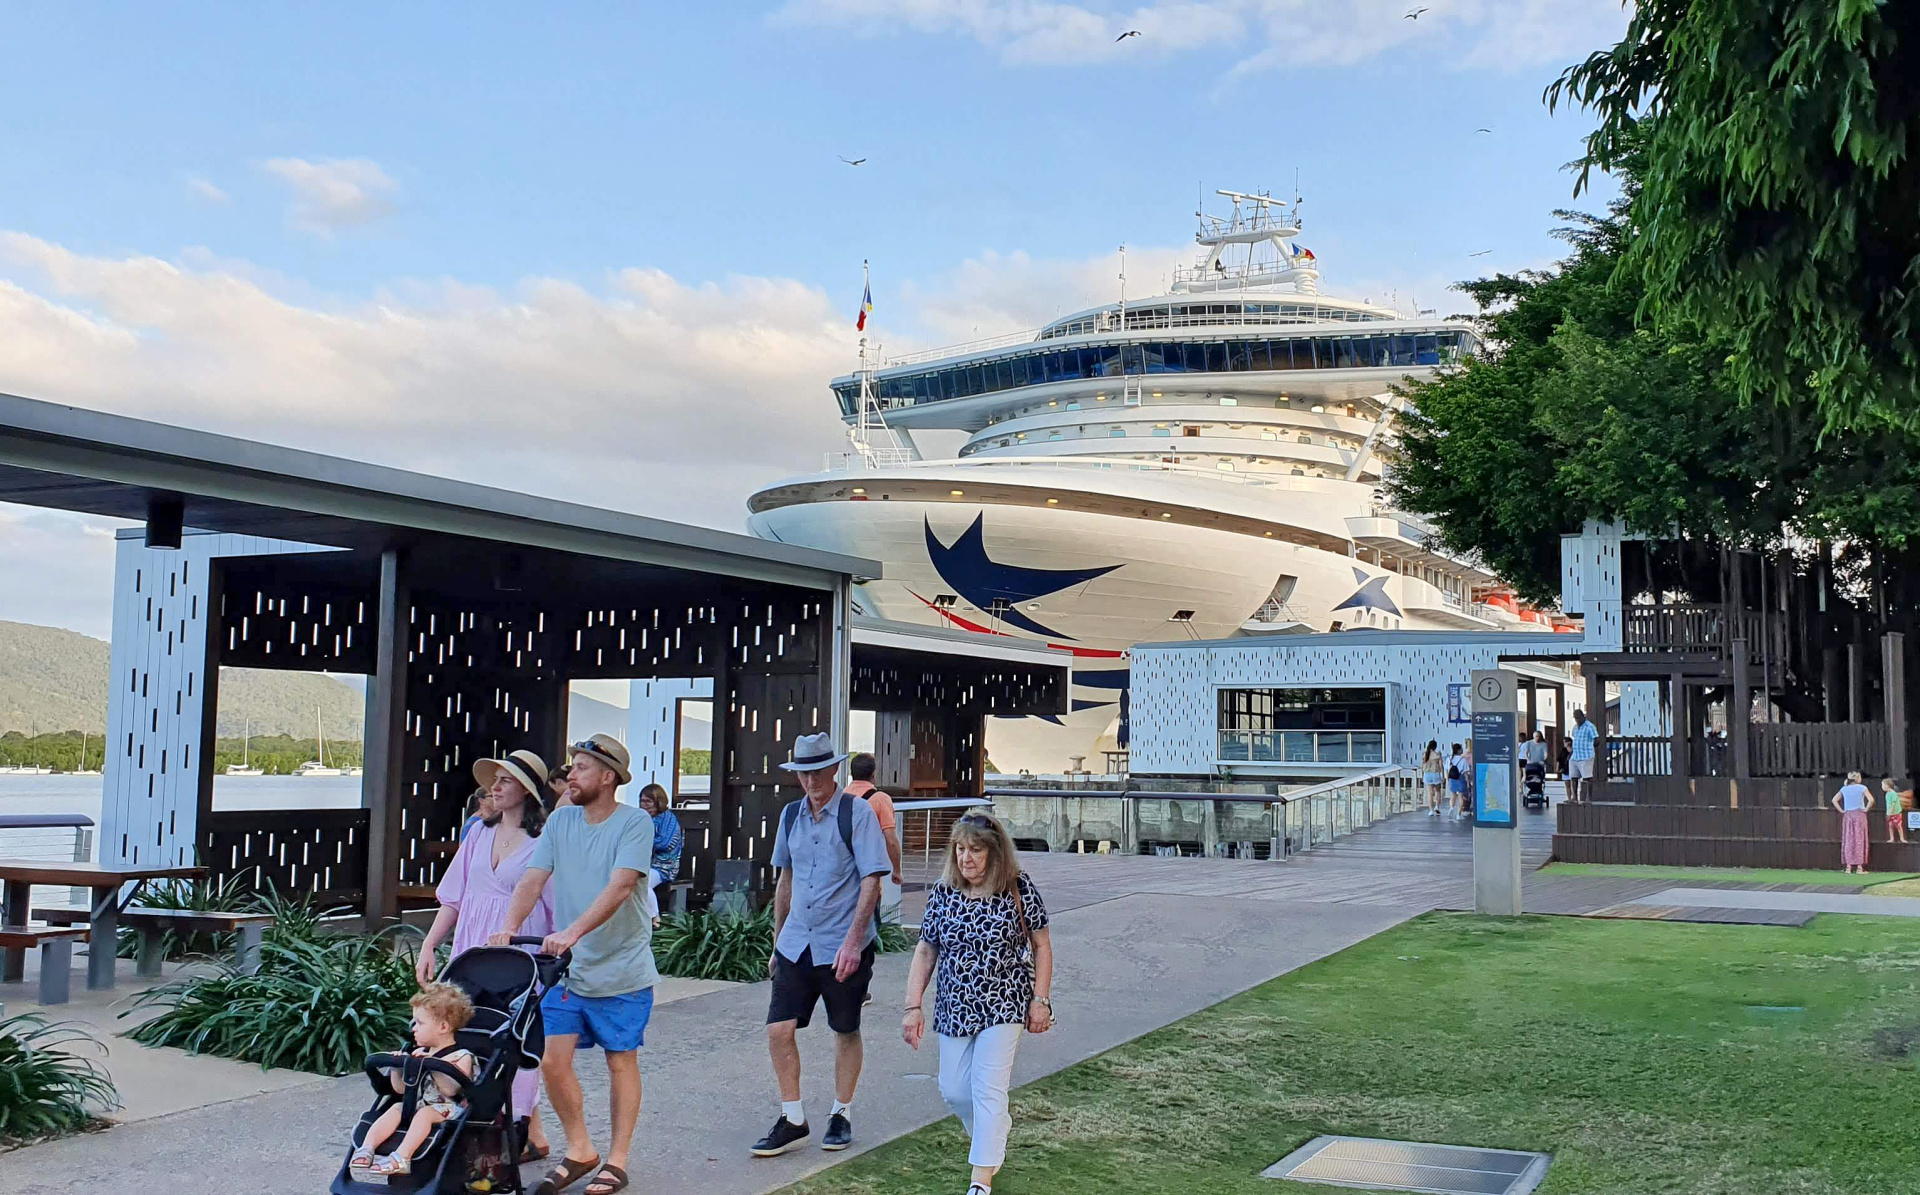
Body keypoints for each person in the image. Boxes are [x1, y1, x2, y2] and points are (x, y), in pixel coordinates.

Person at [491, 734, 654, 1195]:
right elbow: (532, 878)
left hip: (621, 967)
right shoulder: (561, 822)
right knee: (551, 1060)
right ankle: (581, 1149)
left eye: (582, 767)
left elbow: (621, 887)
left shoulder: (634, 823)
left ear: (608, 777)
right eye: (573, 766)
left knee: (621, 1061)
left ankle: (617, 1161)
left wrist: (572, 932)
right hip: (567, 970)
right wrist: (507, 926)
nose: (571, 775)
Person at [753, 732, 892, 1159]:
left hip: (842, 944)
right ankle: (793, 1118)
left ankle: (841, 1112)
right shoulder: (791, 815)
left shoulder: (858, 813)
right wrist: (778, 942)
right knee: (779, 1029)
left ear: (834, 769)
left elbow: (872, 878)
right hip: (798, 942)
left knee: (845, 1029)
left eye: (817, 771)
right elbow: (786, 879)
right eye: (803, 773)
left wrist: (853, 942)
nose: (810, 780)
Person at [903, 810, 1053, 1195]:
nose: (965, 858)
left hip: (1004, 1001)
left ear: (994, 853)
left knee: (988, 1088)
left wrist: (1041, 1000)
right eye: (959, 849)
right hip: (954, 1005)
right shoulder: (943, 893)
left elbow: (1041, 945)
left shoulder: (1017, 888)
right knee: (953, 1088)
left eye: (974, 850)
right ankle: (994, 1133)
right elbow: (925, 951)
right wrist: (912, 1006)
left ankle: (980, 1182)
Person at [419, 749, 555, 1161]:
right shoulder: (478, 831)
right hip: (470, 945)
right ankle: (506, 1131)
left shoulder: (543, 840)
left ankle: (511, 1131)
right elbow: (454, 896)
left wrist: (554, 962)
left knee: (511, 1036)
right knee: (467, 1034)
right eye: (493, 780)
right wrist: (429, 945)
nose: (493, 788)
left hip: (514, 947)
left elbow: (551, 903)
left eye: (505, 781)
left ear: (526, 791)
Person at [350, 982, 478, 1178]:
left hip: (450, 1108)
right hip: (417, 1104)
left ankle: (402, 1156)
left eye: (420, 1023)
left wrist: (433, 1065)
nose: (414, 1029)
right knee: (395, 1107)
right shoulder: (418, 1052)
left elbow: (450, 1090)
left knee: (425, 1114)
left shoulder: (461, 1056)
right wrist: (397, 1066)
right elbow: (400, 1090)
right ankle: (367, 1148)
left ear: (443, 1026)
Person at [845, 753, 904, 887]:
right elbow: (891, 841)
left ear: (852, 772)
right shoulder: (880, 799)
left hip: (841, 871)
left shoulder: (840, 798)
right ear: (873, 774)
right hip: (868, 871)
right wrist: (897, 870)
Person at [635, 783, 683, 926]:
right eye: (642, 801)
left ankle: (654, 918)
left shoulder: (669, 819)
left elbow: (665, 843)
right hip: (640, 863)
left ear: (658, 802)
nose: (644, 805)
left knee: (641, 882)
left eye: (648, 801)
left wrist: (640, 842)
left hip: (664, 866)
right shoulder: (639, 818)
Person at [1832, 770, 1874, 874]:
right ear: (1858, 778)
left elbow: (1834, 800)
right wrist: (1866, 809)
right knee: (1859, 839)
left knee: (1848, 839)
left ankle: (1848, 866)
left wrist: (1841, 810)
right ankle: (1859, 867)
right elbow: (1871, 800)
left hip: (1848, 815)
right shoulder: (1862, 788)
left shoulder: (1844, 789)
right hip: (1860, 814)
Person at [1568, 709, 1598, 802]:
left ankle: (1589, 797)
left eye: (1578, 718)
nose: (1577, 720)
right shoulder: (1575, 727)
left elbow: (1597, 739)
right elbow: (1575, 738)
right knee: (1573, 776)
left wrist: (1590, 747)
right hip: (1575, 755)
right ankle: (1574, 797)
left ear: (1583, 717)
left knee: (1587, 777)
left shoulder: (1590, 726)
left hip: (1586, 756)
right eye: (1575, 718)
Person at [1420, 740, 1445, 818]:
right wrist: (1443, 776)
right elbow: (1441, 766)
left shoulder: (1425, 754)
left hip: (1427, 774)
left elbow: (1422, 766)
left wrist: (1422, 775)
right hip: (1436, 773)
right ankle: (1437, 806)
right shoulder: (1437, 754)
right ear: (1435, 747)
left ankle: (1431, 810)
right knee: (1438, 791)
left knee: (1430, 792)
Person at [1445, 742, 1467, 822]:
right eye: (1461, 749)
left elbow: (1446, 769)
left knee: (1453, 795)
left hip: (1452, 779)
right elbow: (1465, 772)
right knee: (1460, 797)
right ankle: (1458, 814)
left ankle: (1451, 808)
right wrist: (1468, 781)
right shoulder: (1463, 760)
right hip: (1460, 778)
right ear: (1458, 750)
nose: (1462, 750)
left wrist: (1447, 778)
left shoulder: (1449, 759)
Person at [1886, 777, 1911, 846]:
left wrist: (1891, 812)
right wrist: (1888, 812)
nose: (1882, 787)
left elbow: (1893, 804)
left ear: (1888, 786)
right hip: (1890, 812)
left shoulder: (1893, 794)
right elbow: (1888, 804)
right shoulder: (1887, 794)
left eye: (1883, 785)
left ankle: (1902, 838)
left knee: (1898, 825)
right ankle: (1891, 838)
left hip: (1896, 812)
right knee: (1890, 825)